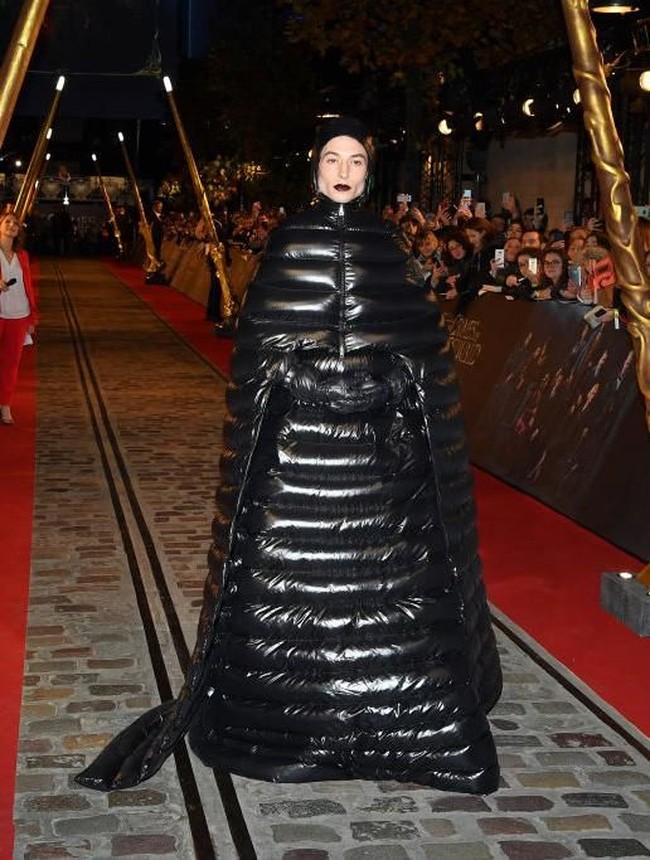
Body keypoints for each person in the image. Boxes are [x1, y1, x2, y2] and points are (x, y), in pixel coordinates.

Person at [77, 116, 502, 796]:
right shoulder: (290, 244)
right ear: (314, 168)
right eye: (332, 158)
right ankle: (286, 725)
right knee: (286, 587)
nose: (343, 170)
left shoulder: (388, 246)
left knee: (387, 594)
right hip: (294, 459)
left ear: (368, 171)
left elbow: (427, 354)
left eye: (356, 160)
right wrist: (306, 380)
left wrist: (390, 380)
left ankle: (389, 724)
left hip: (379, 469)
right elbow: (260, 351)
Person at [0, 211, 38, 425]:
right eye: (7, 222)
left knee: (11, 364)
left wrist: (32, 317)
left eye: (15, 223)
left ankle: (5, 405)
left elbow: (28, 286)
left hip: (18, 314)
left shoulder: (22, 255)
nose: (12, 225)